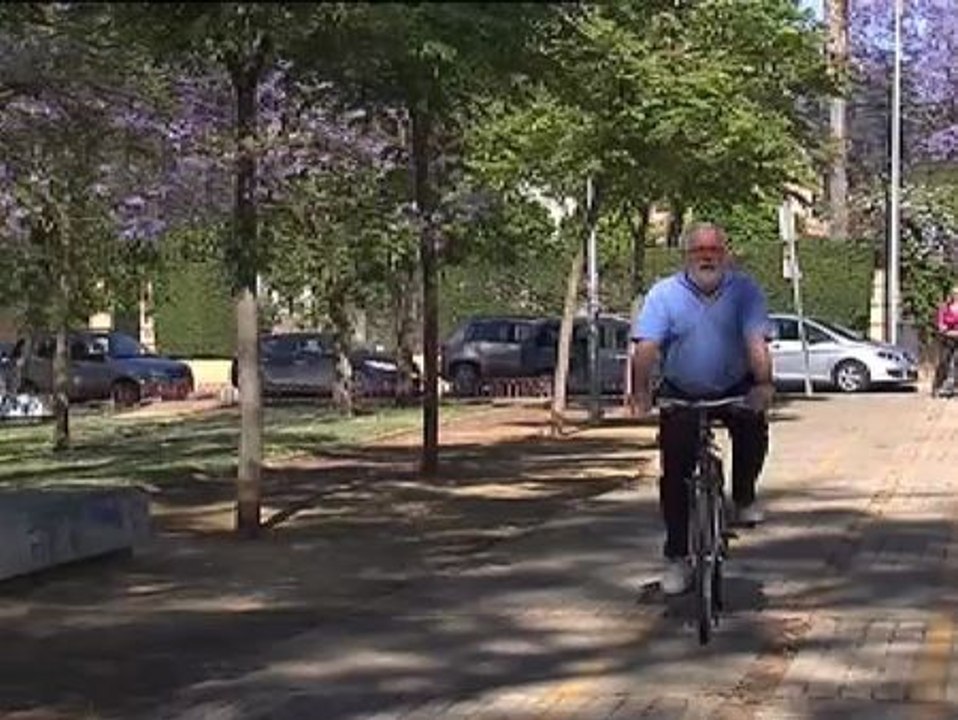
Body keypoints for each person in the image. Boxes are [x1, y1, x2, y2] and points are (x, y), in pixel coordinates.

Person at [627, 222, 774, 595]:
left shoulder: (745, 291)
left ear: (725, 255)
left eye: (715, 250)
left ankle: (742, 496)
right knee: (674, 473)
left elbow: (756, 342)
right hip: (682, 393)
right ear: (686, 256)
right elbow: (646, 349)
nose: (707, 257)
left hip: (733, 387)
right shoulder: (663, 294)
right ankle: (677, 557)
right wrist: (640, 393)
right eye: (699, 251)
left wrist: (763, 384)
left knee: (753, 426)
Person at [933, 289, 958, 397]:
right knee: (944, 362)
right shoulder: (944, 308)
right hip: (947, 338)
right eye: (954, 294)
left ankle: (956, 387)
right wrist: (945, 329)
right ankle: (937, 387)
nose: (955, 296)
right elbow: (940, 324)